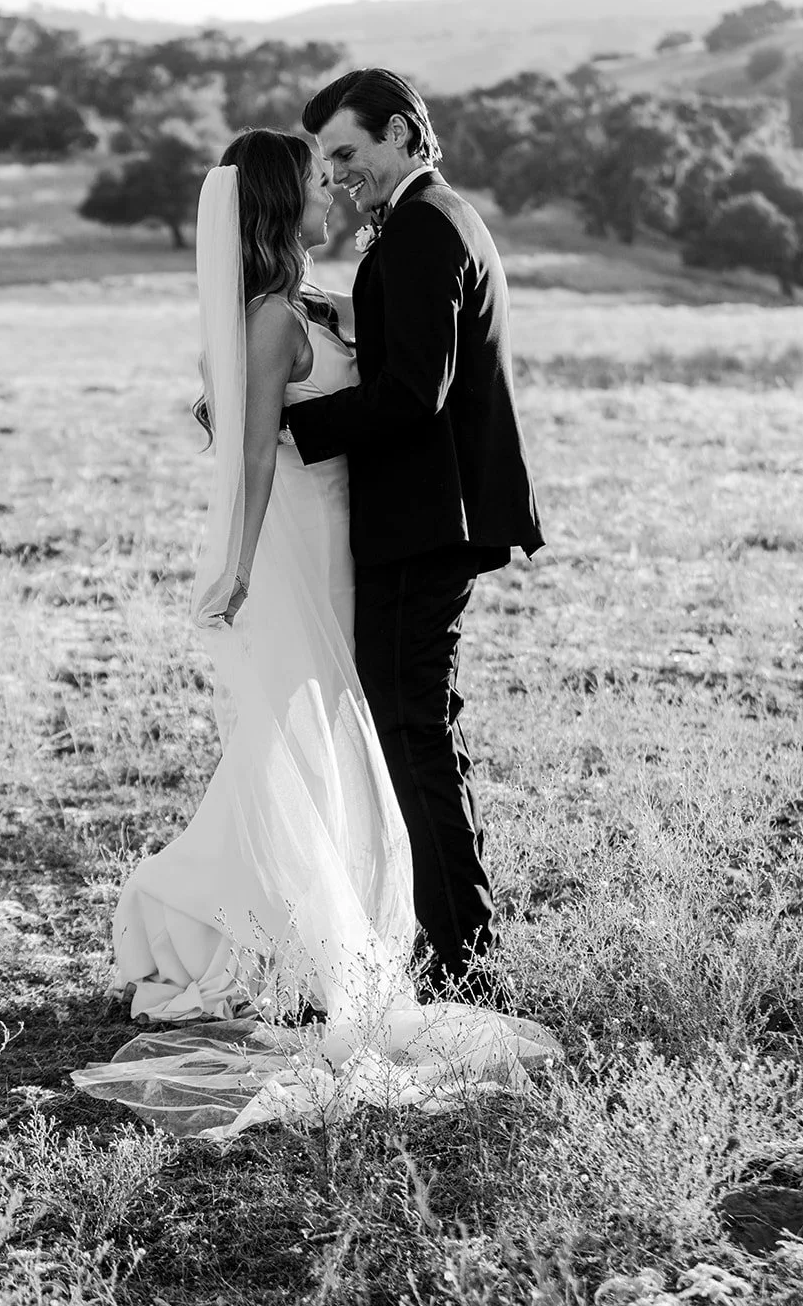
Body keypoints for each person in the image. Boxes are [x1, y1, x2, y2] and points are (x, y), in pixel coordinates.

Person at [73, 129, 557, 1137]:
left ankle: (259, 915)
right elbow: (250, 458)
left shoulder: (298, 306)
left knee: (324, 732)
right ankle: (214, 911)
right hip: (295, 546)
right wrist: (236, 566)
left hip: (340, 540)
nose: (330, 191)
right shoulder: (263, 318)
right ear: (278, 204)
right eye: (313, 182)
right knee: (294, 732)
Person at [284, 69, 544, 999]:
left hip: (425, 519)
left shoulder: (426, 226)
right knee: (418, 722)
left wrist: (289, 429)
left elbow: (410, 394)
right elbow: (406, 336)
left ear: (400, 133)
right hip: (433, 513)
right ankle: (458, 935)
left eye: (349, 154)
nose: (340, 175)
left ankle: (462, 955)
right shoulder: (432, 217)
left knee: (411, 729)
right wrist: (327, 313)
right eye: (328, 162)